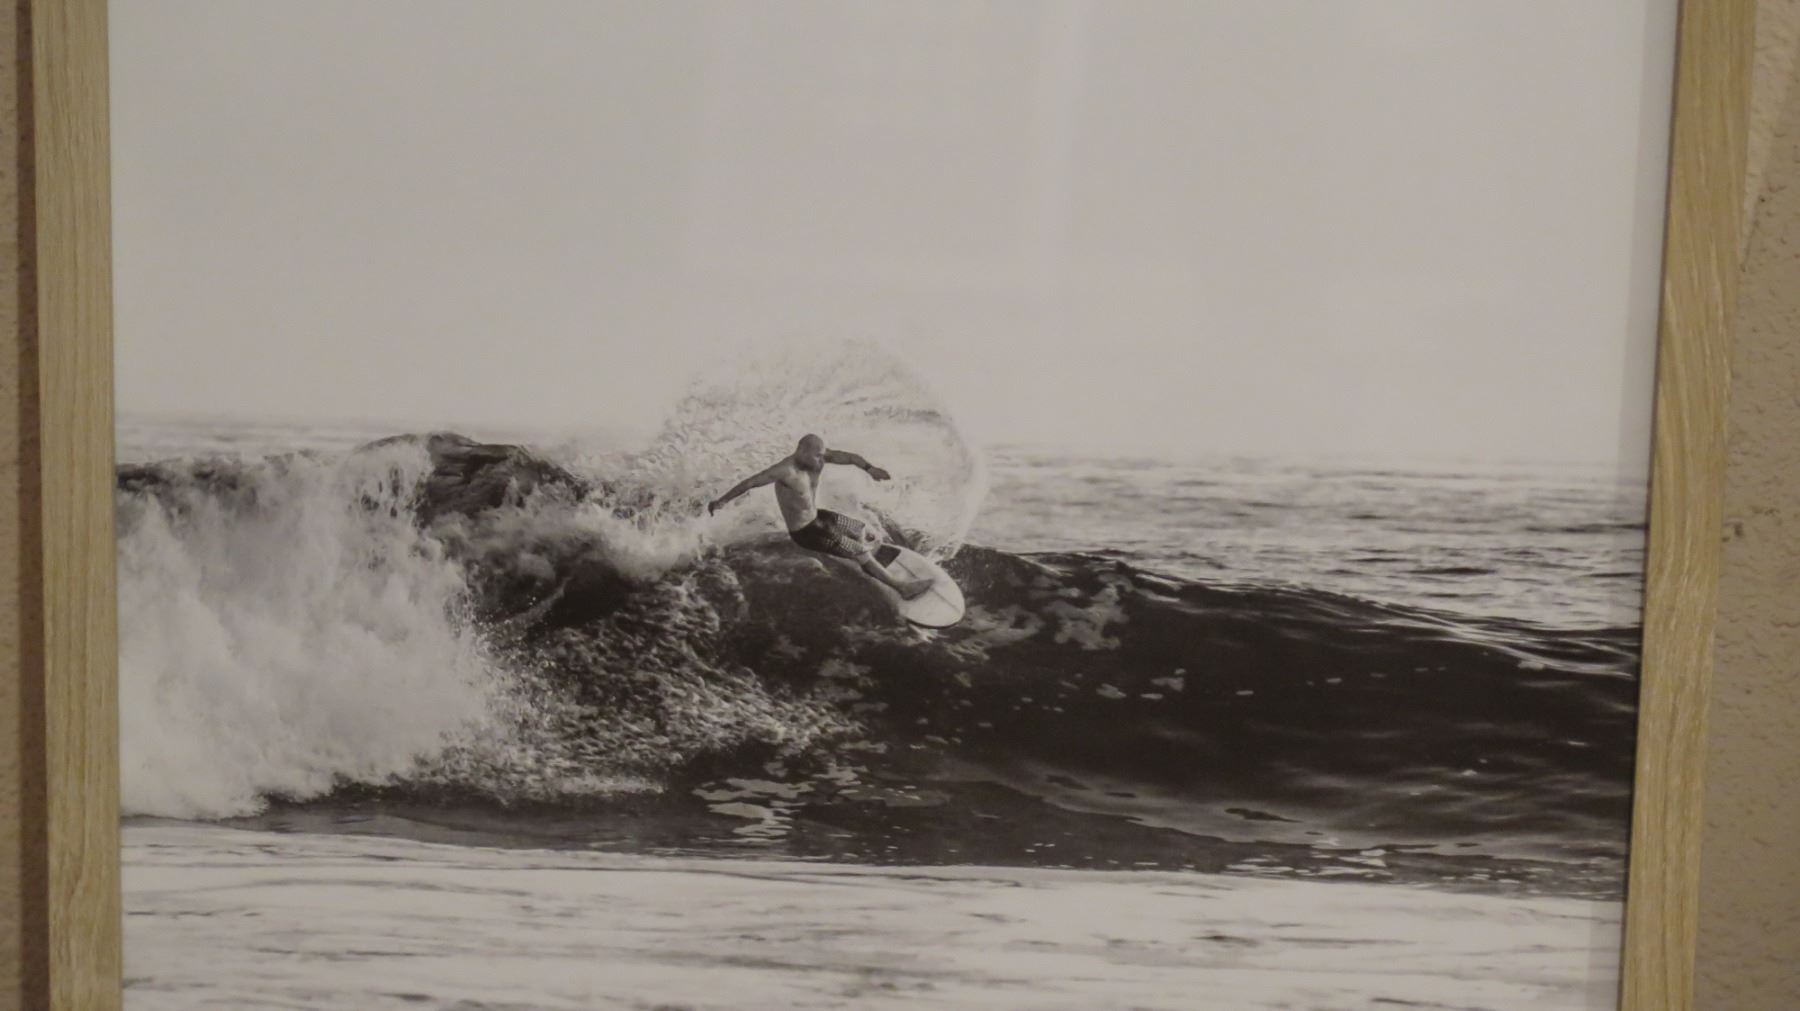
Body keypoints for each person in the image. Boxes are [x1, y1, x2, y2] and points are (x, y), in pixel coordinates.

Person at [708, 434, 935, 599]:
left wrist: (870, 468)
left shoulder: (818, 458)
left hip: (819, 517)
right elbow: (750, 483)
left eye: (822, 455)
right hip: (806, 532)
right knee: (858, 550)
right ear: (802, 452)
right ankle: (901, 587)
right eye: (817, 456)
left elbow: (848, 457)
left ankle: (868, 563)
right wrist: (722, 501)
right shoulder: (785, 471)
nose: (822, 460)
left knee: (863, 530)